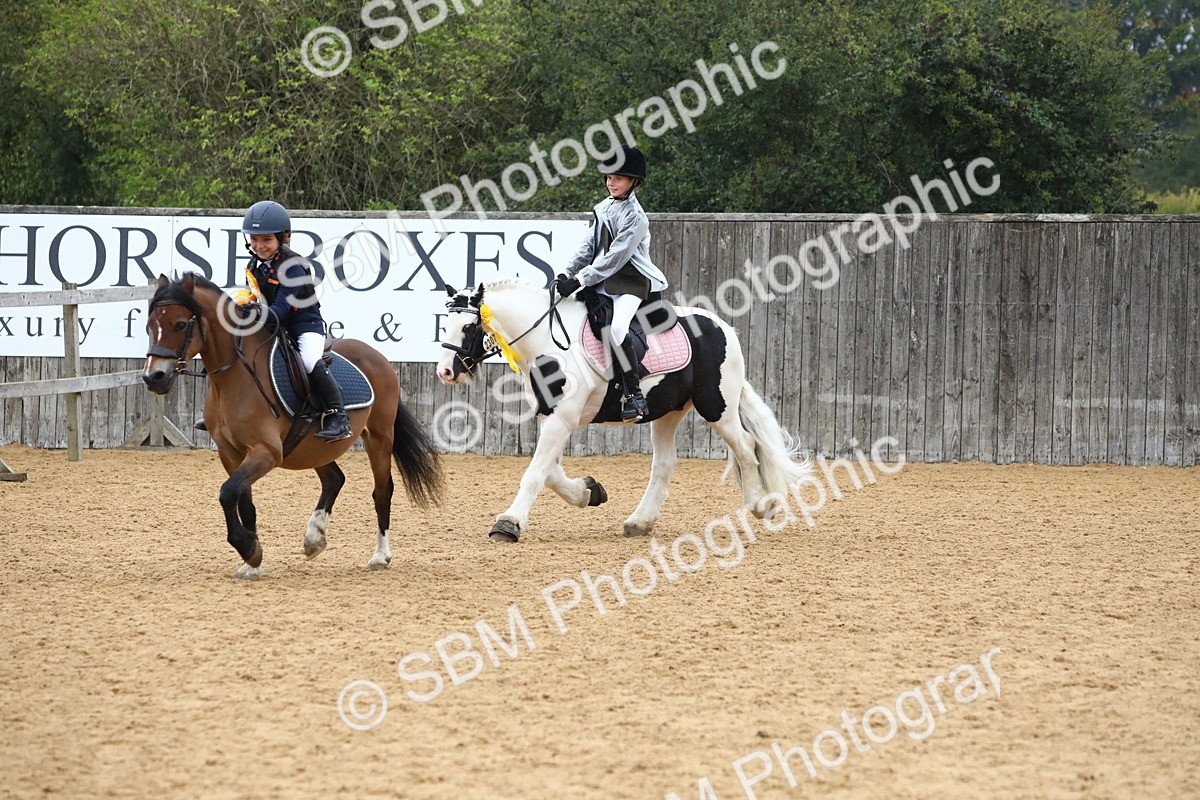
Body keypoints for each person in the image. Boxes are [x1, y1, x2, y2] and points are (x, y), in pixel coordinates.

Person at [195, 201, 351, 441]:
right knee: (237, 351)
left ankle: (338, 416)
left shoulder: (295, 266)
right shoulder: (255, 264)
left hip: (303, 325)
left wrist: (252, 313)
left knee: (309, 361)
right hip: (272, 325)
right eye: (254, 239)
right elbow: (256, 297)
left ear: (282, 237)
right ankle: (221, 411)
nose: (259, 246)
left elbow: (281, 309)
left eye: (266, 239)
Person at [554, 145, 668, 422]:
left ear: (634, 182)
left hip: (631, 283)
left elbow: (615, 258)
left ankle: (635, 396)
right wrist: (566, 272)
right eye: (608, 177)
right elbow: (588, 247)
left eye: (618, 178)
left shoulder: (636, 217)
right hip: (604, 281)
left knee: (617, 328)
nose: (611, 183)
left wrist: (580, 279)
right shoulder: (604, 207)